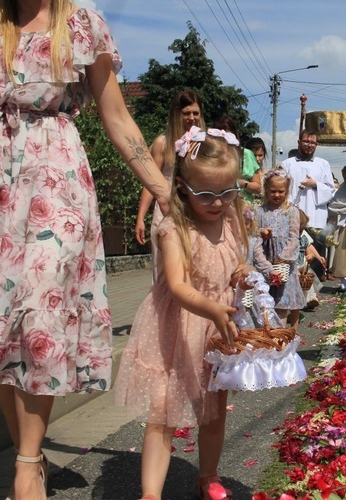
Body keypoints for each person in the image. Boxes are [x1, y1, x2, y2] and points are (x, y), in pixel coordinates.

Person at [0, 2, 172, 498]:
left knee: (41, 314)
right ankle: (29, 457)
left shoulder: (81, 22)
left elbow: (117, 116)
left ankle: (26, 462)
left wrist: (164, 192)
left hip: (54, 179)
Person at [115, 127, 250, 500]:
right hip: (177, 326)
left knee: (214, 411)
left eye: (227, 192)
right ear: (182, 187)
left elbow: (235, 263)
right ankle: (151, 493)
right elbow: (177, 286)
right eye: (206, 194)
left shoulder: (231, 221)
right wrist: (210, 307)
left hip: (216, 329)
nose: (218, 202)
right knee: (163, 413)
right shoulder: (175, 228)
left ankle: (208, 476)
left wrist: (245, 274)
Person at [134, 90, 205, 279]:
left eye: (195, 113)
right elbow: (150, 182)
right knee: (164, 269)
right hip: (166, 210)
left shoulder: (204, 144)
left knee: (194, 269)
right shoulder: (162, 143)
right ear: (176, 114)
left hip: (195, 211)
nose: (192, 117)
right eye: (186, 113)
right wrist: (141, 217)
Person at [253, 168, 305, 324]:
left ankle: (280, 339)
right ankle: (268, 336)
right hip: (265, 263)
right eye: (272, 191)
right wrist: (261, 232)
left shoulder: (291, 212)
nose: (276, 195)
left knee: (282, 304)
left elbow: (294, 237)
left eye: (280, 191)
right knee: (264, 303)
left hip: (285, 267)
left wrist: (283, 259)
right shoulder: (260, 211)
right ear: (266, 191)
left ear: (287, 190)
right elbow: (254, 236)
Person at [281, 130, 335, 279]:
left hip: (316, 217)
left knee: (316, 255)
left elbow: (331, 190)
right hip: (294, 215)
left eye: (312, 142)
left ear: (317, 144)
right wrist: (290, 206)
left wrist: (315, 184)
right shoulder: (287, 164)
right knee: (295, 254)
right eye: (306, 141)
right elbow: (282, 188)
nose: (309, 145)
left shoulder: (323, 164)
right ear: (299, 142)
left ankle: (315, 291)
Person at [288, 210, 325, 329]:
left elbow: (309, 247)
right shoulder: (286, 236)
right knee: (295, 286)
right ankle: (300, 303)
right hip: (290, 265)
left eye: (300, 230)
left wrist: (315, 256)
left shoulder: (303, 235)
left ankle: (310, 299)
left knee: (307, 280)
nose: (298, 233)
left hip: (302, 264)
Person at [213, 115, 262, 203]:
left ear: (234, 134)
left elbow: (258, 188)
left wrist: (241, 183)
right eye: (219, 134)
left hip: (243, 206)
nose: (223, 137)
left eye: (227, 133)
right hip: (218, 203)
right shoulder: (212, 154)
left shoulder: (246, 154)